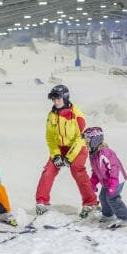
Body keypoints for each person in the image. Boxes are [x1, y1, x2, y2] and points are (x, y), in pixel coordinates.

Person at [35, 85, 98, 218]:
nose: (56, 101)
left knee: (77, 168)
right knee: (49, 170)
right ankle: (42, 201)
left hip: (78, 147)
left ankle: (91, 202)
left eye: (58, 98)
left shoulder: (76, 115)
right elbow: (50, 137)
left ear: (65, 97)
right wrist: (56, 155)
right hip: (60, 147)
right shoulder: (51, 115)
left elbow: (81, 138)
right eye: (53, 99)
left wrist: (69, 157)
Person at [83, 127, 127, 227]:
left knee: (112, 198)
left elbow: (114, 168)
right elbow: (95, 170)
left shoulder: (105, 152)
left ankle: (124, 217)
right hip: (106, 181)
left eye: (88, 142)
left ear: (95, 140)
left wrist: (113, 184)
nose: (86, 144)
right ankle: (108, 215)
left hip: (117, 179)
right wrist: (93, 182)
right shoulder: (93, 154)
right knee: (102, 197)